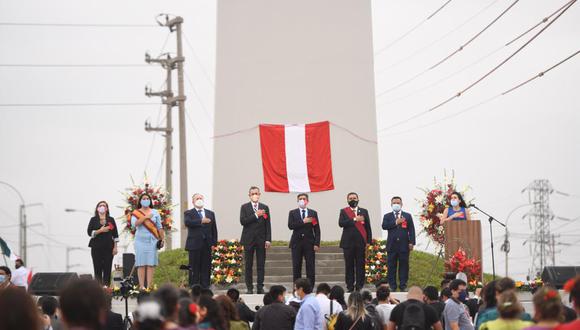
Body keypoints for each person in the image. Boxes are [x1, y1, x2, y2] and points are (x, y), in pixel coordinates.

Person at [240, 186, 272, 294]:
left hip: (261, 240)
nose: (255, 195)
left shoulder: (265, 207)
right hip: (248, 240)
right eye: (252, 193)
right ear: (249, 195)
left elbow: (268, 224)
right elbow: (243, 221)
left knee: (261, 265)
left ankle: (260, 287)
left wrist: (268, 239)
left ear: (259, 194)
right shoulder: (244, 207)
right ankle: (249, 288)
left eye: (256, 193)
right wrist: (255, 215)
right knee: (248, 265)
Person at [339, 192, 372, 292]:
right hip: (348, 243)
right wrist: (354, 219)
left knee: (360, 265)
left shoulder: (364, 211)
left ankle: (359, 286)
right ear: (347, 200)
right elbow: (341, 223)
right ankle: (349, 286)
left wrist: (368, 241)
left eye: (354, 198)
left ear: (358, 199)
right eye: (350, 198)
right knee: (349, 265)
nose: (352, 200)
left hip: (360, 242)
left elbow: (368, 227)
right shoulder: (344, 211)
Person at [131, 193, 165, 289]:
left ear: (150, 201)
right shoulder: (136, 212)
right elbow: (134, 224)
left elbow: (159, 227)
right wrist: (145, 217)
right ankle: (141, 286)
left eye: (147, 198)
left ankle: (149, 286)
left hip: (152, 241)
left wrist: (162, 238)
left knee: (150, 264)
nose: (146, 200)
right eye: (144, 198)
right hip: (140, 241)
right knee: (141, 263)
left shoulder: (155, 212)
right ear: (140, 201)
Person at [185, 193, 218, 289]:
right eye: (197, 198)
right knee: (194, 267)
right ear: (193, 201)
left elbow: (214, 229)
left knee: (206, 266)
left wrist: (214, 243)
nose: (199, 200)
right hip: (194, 244)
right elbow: (187, 222)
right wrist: (201, 221)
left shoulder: (210, 213)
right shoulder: (189, 213)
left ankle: (205, 286)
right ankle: (194, 287)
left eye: (200, 198)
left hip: (207, 244)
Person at [382, 196, 415, 292]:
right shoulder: (387, 216)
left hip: (404, 245)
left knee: (404, 266)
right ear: (391, 204)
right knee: (391, 266)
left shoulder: (407, 216)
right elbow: (384, 226)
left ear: (401, 204)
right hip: (392, 245)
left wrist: (412, 242)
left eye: (398, 203)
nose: (396, 204)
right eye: (394, 203)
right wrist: (396, 222)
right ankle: (392, 286)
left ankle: (403, 285)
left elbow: (411, 230)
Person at [288, 193, 321, 286]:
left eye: (304, 199)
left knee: (310, 266)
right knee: (296, 266)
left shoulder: (313, 213)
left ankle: (310, 287)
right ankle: (297, 287)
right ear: (298, 201)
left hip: (309, 243)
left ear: (307, 201)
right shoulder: (292, 212)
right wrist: (303, 221)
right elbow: (290, 226)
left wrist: (316, 243)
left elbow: (317, 229)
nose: (302, 200)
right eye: (300, 199)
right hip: (296, 243)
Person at [87, 200, 119, 286]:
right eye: (100, 205)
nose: (102, 207)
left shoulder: (110, 220)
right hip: (96, 248)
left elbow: (115, 234)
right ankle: (98, 290)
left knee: (107, 269)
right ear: (97, 209)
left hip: (108, 248)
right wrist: (100, 230)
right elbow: (89, 233)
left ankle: (106, 289)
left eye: (104, 206)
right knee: (97, 269)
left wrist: (115, 247)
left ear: (107, 208)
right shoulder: (93, 220)